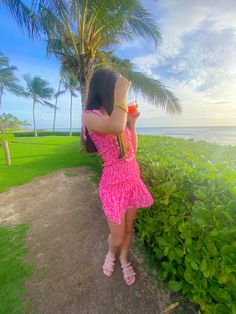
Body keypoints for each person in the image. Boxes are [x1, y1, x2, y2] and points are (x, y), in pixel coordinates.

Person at [81, 68, 154, 286]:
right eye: (115, 89)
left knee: (129, 229)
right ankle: (111, 252)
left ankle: (122, 258)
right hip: (113, 188)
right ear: (106, 88)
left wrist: (132, 122)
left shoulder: (119, 116)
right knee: (118, 235)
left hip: (132, 183)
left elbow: (132, 149)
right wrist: (123, 91)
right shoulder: (91, 116)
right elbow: (114, 126)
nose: (117, 93)